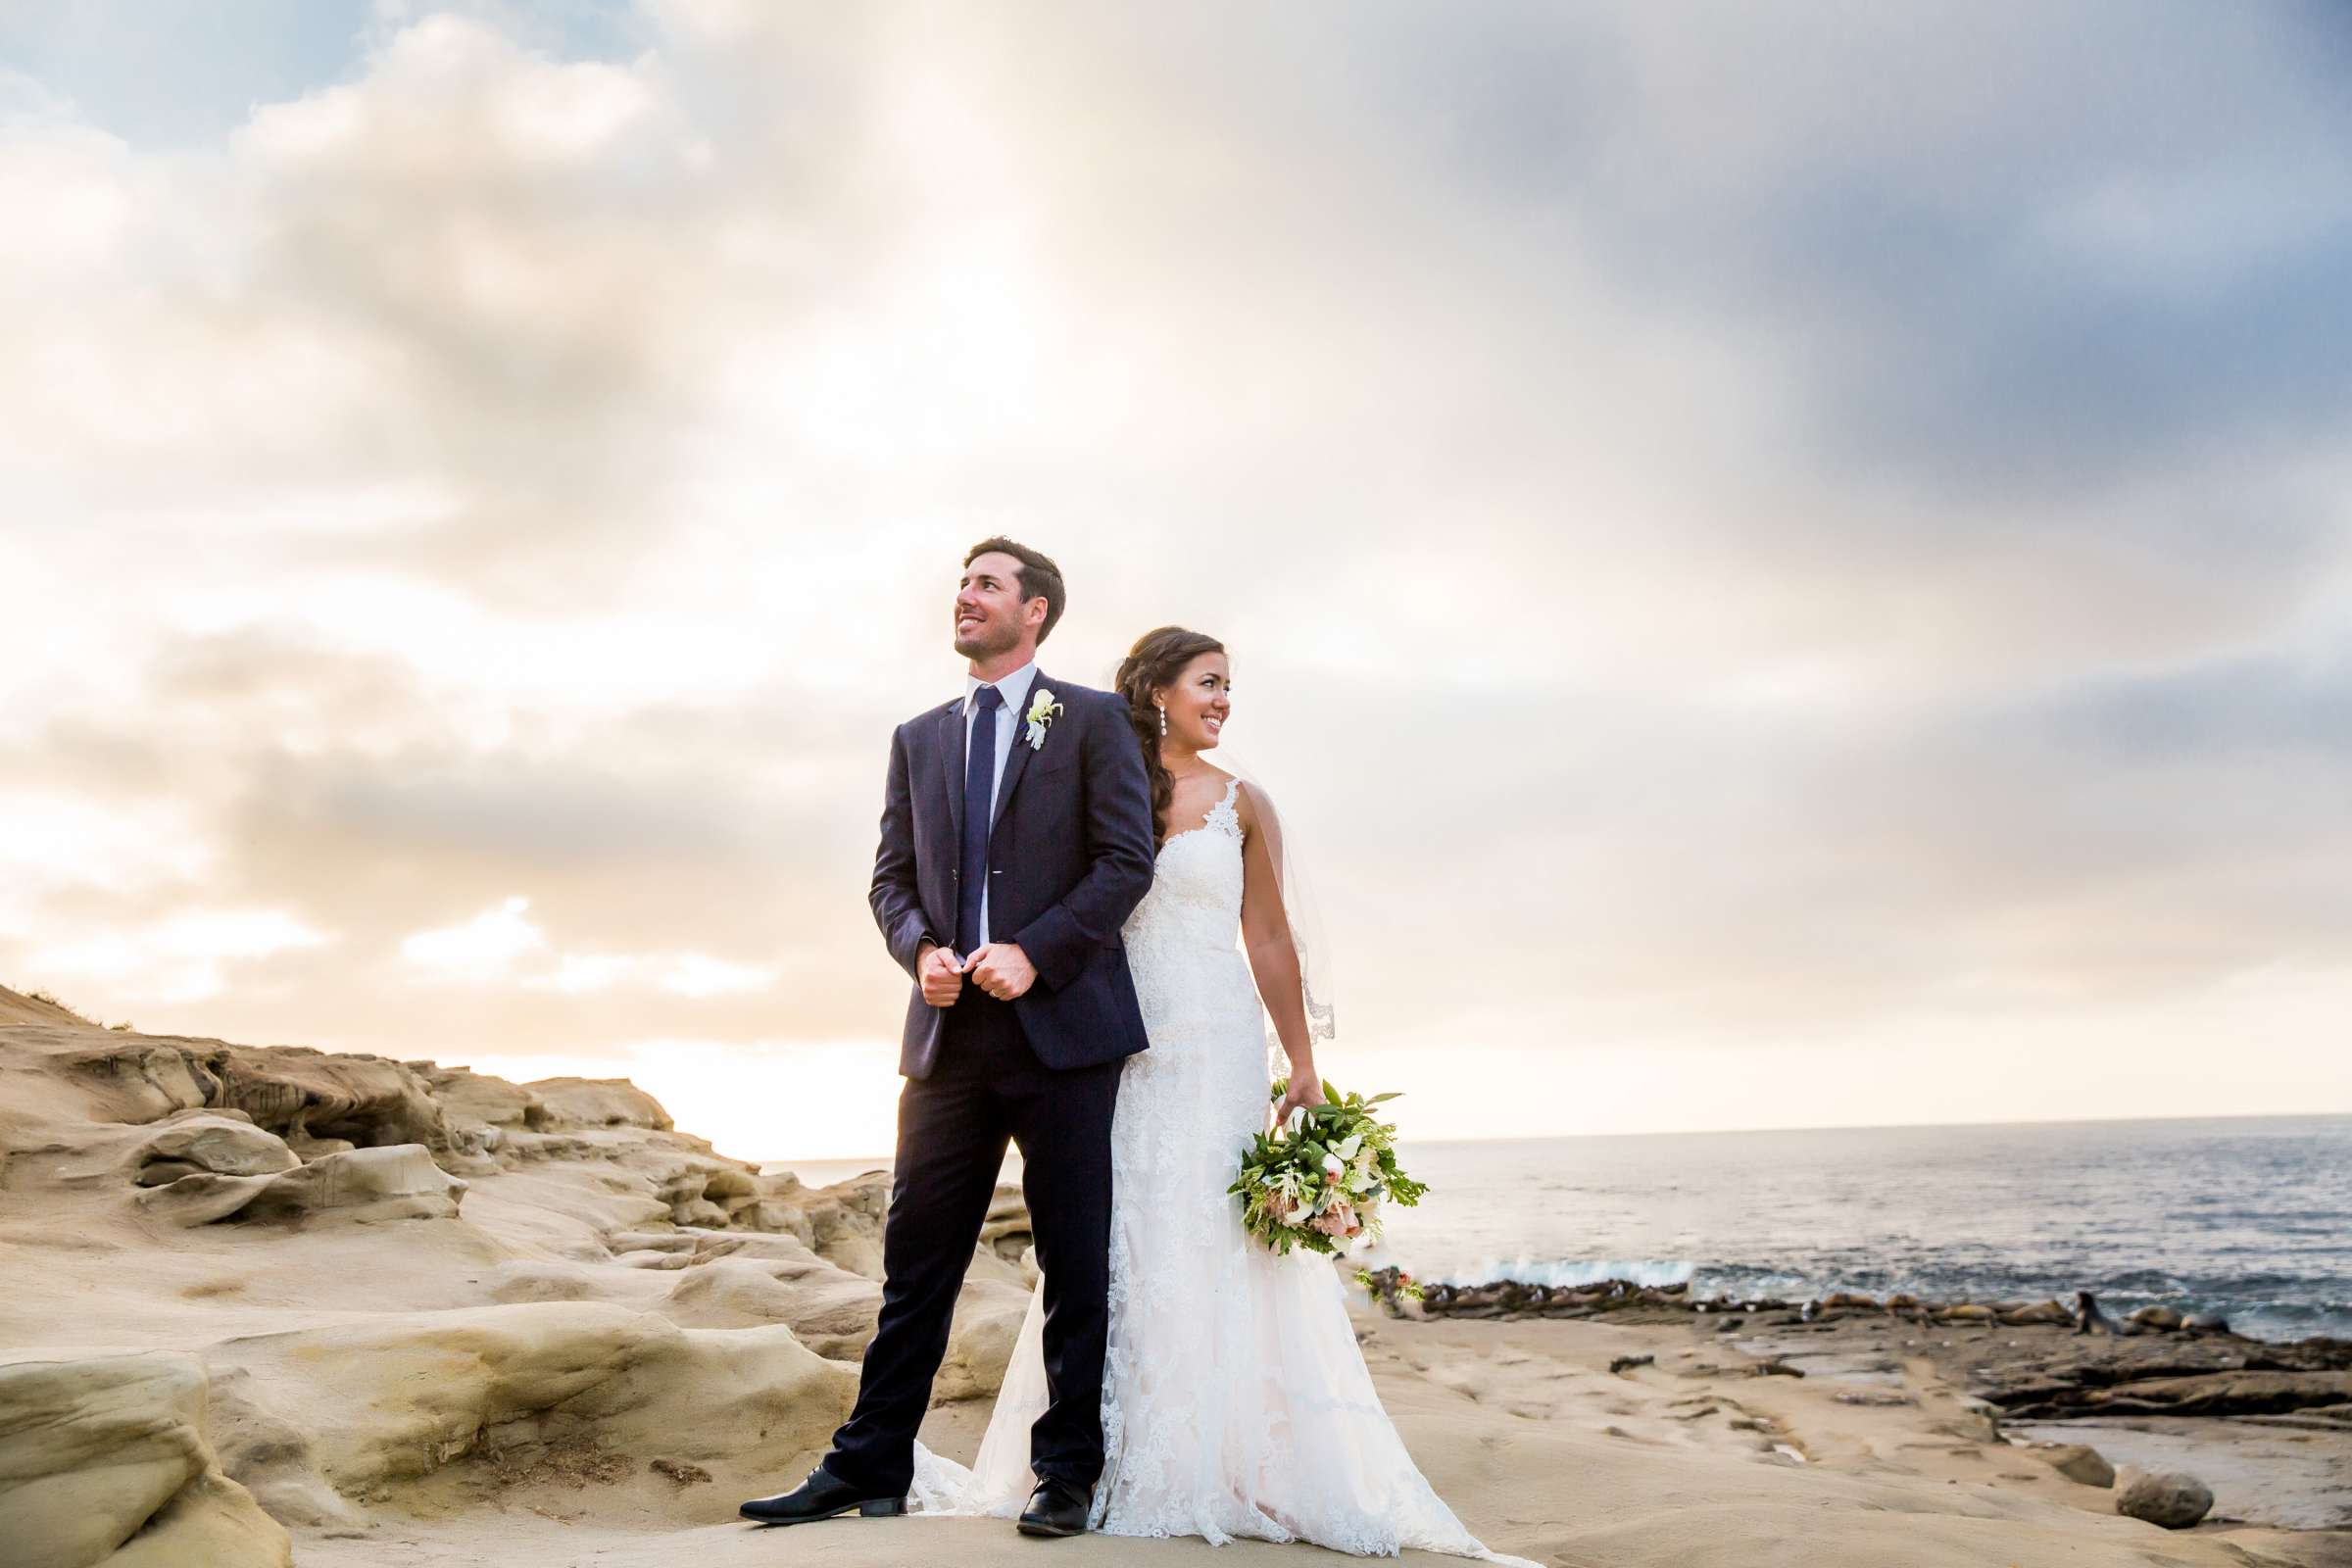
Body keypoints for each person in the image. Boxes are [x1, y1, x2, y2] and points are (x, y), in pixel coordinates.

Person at [910, 626, 1534, 1564]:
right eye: (1210, 684)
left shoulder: (1243, 803)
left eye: (1229, 688)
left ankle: (1232, 1458)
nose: (1224, 703)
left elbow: (1271, 939)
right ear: (1159, 690)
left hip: (1215, 1044)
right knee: (1112, 1242)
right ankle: (1089, 1457)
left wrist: (1303, 1064)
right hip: (1110, 1038)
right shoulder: (1087, 785)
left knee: (1211, 1234)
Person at [739, 538, 1155, 1539]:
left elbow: (1125, 858)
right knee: (915, 1261)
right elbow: (889, 876)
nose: (965, 596)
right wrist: (918, 948)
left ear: (1037, 611)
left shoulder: (1093, 719)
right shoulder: (917, 736)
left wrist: (1039, 952)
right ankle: (869, 1462)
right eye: (962, 583)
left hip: (1063, 1035)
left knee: (1073, 1263)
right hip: (947, 1042)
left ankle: (1066, 1472)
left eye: (987, 584)